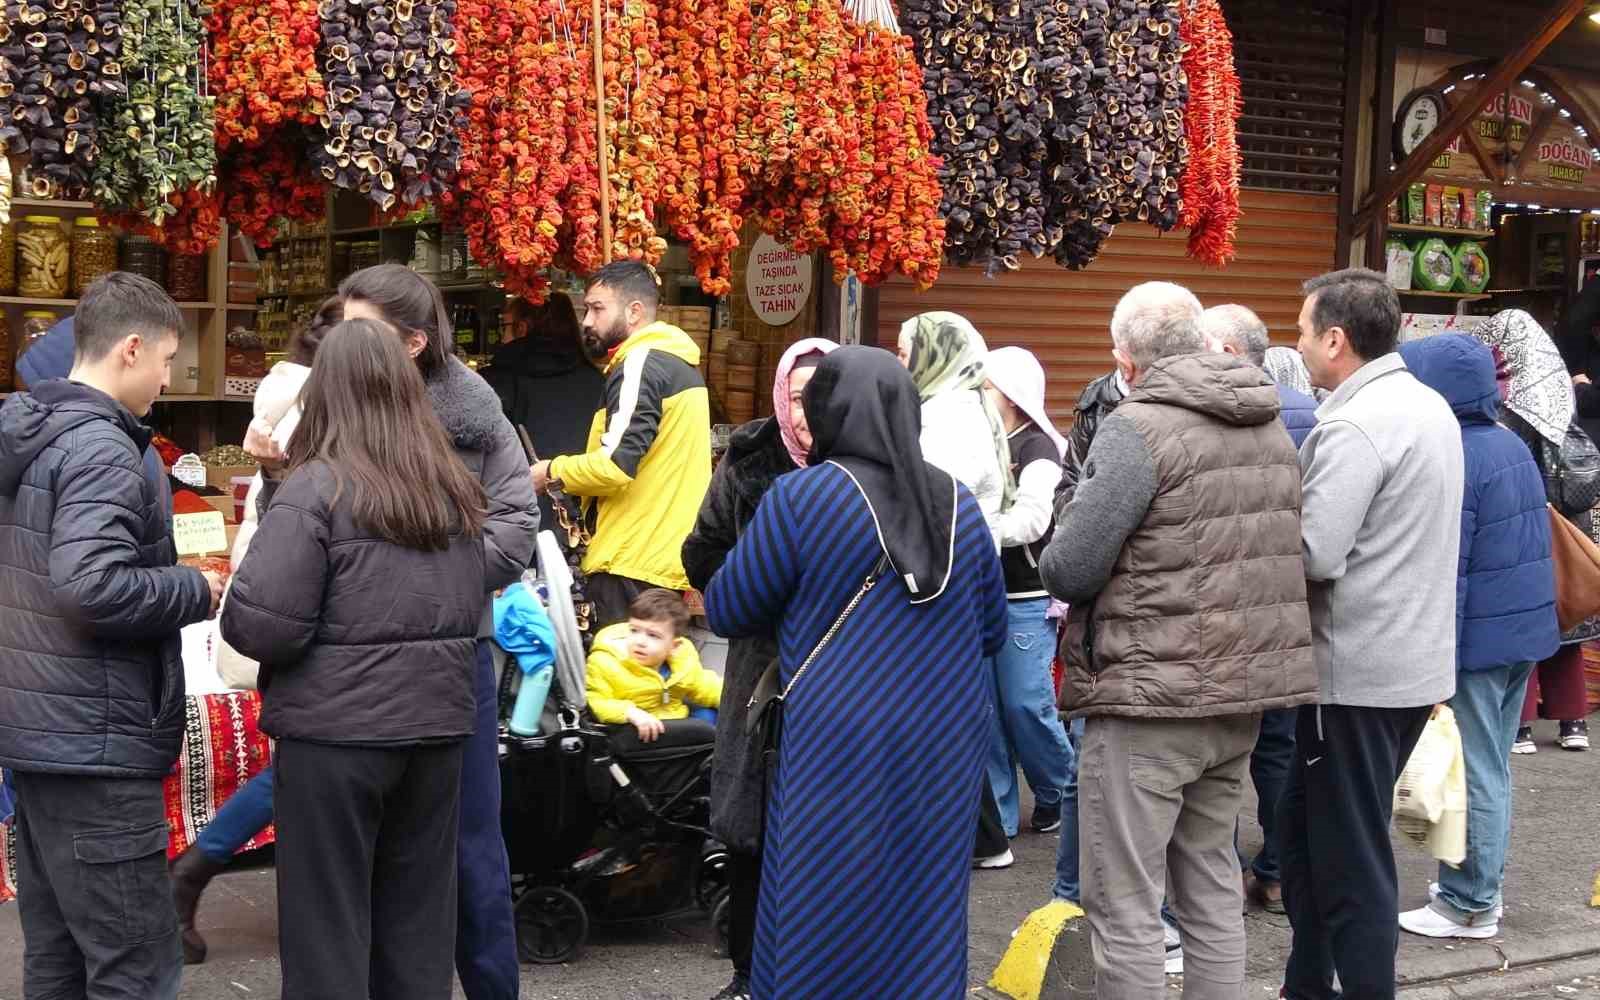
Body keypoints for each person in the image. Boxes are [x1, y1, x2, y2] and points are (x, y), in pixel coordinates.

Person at [251, 264, 536, 1000]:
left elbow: (512, 531)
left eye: (361, 331)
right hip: (399, 682)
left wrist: (416, 589)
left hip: (437, 667)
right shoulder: (342, 429)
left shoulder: (473, 418)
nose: (342, 346)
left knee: (456, 861)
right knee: (408, 896)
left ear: (411, 343)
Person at [1039, 281, 1317, 999]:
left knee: (1124, 900)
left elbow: (1070, 566)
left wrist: (1068, 506)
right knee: (1211, 883)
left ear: (1125, 362)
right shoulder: (1266, 421)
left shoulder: (1138, 426)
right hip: (1240, 693)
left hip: (1148, 699)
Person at [703, 346, 1007, 1000]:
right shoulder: (956, 503)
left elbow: (729, 607)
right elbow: (992, 632)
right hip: (945, 745)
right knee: (924, 898)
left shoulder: (801, 497)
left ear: (826, 410)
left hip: (836, 741)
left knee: (823, 895)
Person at [0, 272, 225, 999]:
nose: (167, 379)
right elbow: (89, 586)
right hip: (95, 745)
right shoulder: (100, 447)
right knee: (135, 968)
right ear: (131, 348)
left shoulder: (33, 431)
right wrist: (195, 588)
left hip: (42, 735)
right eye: (166, 360)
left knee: (59, 958)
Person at [1284, 268, 1462, 1000]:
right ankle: (1306, 984)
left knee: (1350, 860)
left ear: (1335, 339)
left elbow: (1315, 552)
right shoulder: (1428, 405)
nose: (1295, 343)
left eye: (1302, 330)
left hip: (1354, 674)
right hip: (1409, 663)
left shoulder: (1357, 423)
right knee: (1305, 837)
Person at [168, 296, 341, 965]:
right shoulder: (313, 403)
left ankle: (197, 872)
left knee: (300, 762)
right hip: (304, 602)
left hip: (284, 596)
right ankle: (196, 871)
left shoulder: (286, 394)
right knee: (303, 761)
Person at [681, 337, 838, 1000]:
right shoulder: (749, 456)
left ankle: (818, 970)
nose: (805, 413)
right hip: (759, 660)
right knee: (753, 822)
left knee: (824, 824)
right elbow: (701, 551)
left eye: (819, 398)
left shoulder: (864, 462)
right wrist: (749, 587)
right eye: (795, 398)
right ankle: (748, 971)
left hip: (837, 664)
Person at [1395, 333, 1559, 940]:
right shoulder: (1507, 442)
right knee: (1491, 765)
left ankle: (1469, 903)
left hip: (1476, 642)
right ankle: (1478, 888)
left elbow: (1452, 568)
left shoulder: (1455, 453)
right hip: (1520, 632)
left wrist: (1438, 657)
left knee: (1475, 769)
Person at [1200, 303, 1319, 915]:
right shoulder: (1309, 415)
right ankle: (1276, 873)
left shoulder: (1202, 410)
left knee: (1212, 753)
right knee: (1278, 747)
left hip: (1219, 607)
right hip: (1288, 604)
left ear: (1226, 351)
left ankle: (1216, 877)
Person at [530, 261, 712, 627]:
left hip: (629, 560)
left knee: (617, 663)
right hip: (658, 561)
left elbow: (614, 466)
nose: (586, 321)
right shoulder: (677, 364)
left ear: (634, 312)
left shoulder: (640, 365)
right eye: (586, 309)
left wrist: (549, 471)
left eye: (597, 309)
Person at [1474, 309, 1595, 754]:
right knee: (1565, 616)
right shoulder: (1560, 388)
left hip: (1525, 520)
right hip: (1569, 522)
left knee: (1522, 621)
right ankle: (1573, 722)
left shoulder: (1509, 398)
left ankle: (1520, 725)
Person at [978, 347, 1074, 840]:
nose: (978, 396)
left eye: (986, 388)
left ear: (1013, 395)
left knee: (1024, 704)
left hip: (1026, 598)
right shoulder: (977, 442)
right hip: (980, 597)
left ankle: (1064, 788)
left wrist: (974, 530)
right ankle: (999, 815)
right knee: (987, 715)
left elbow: (1034, 520)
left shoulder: (1039, 447)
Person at [481, 293, 605, 533]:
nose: (501, 335)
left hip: (513, 519)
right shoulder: (598, 380)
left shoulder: (494, 383)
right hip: (582, 521)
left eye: (504, 326)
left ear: (521, 328)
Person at [585, 588, 722, 750]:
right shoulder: (606, 662)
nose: (640, 641)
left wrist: (736, 698)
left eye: (653, 635)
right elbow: (596, 700)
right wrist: (630, 713)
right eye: (634, 630)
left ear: (673, 646)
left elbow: (703, 685)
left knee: (711, 717)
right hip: (636, 730)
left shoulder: (682, 661)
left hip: (674, 720)